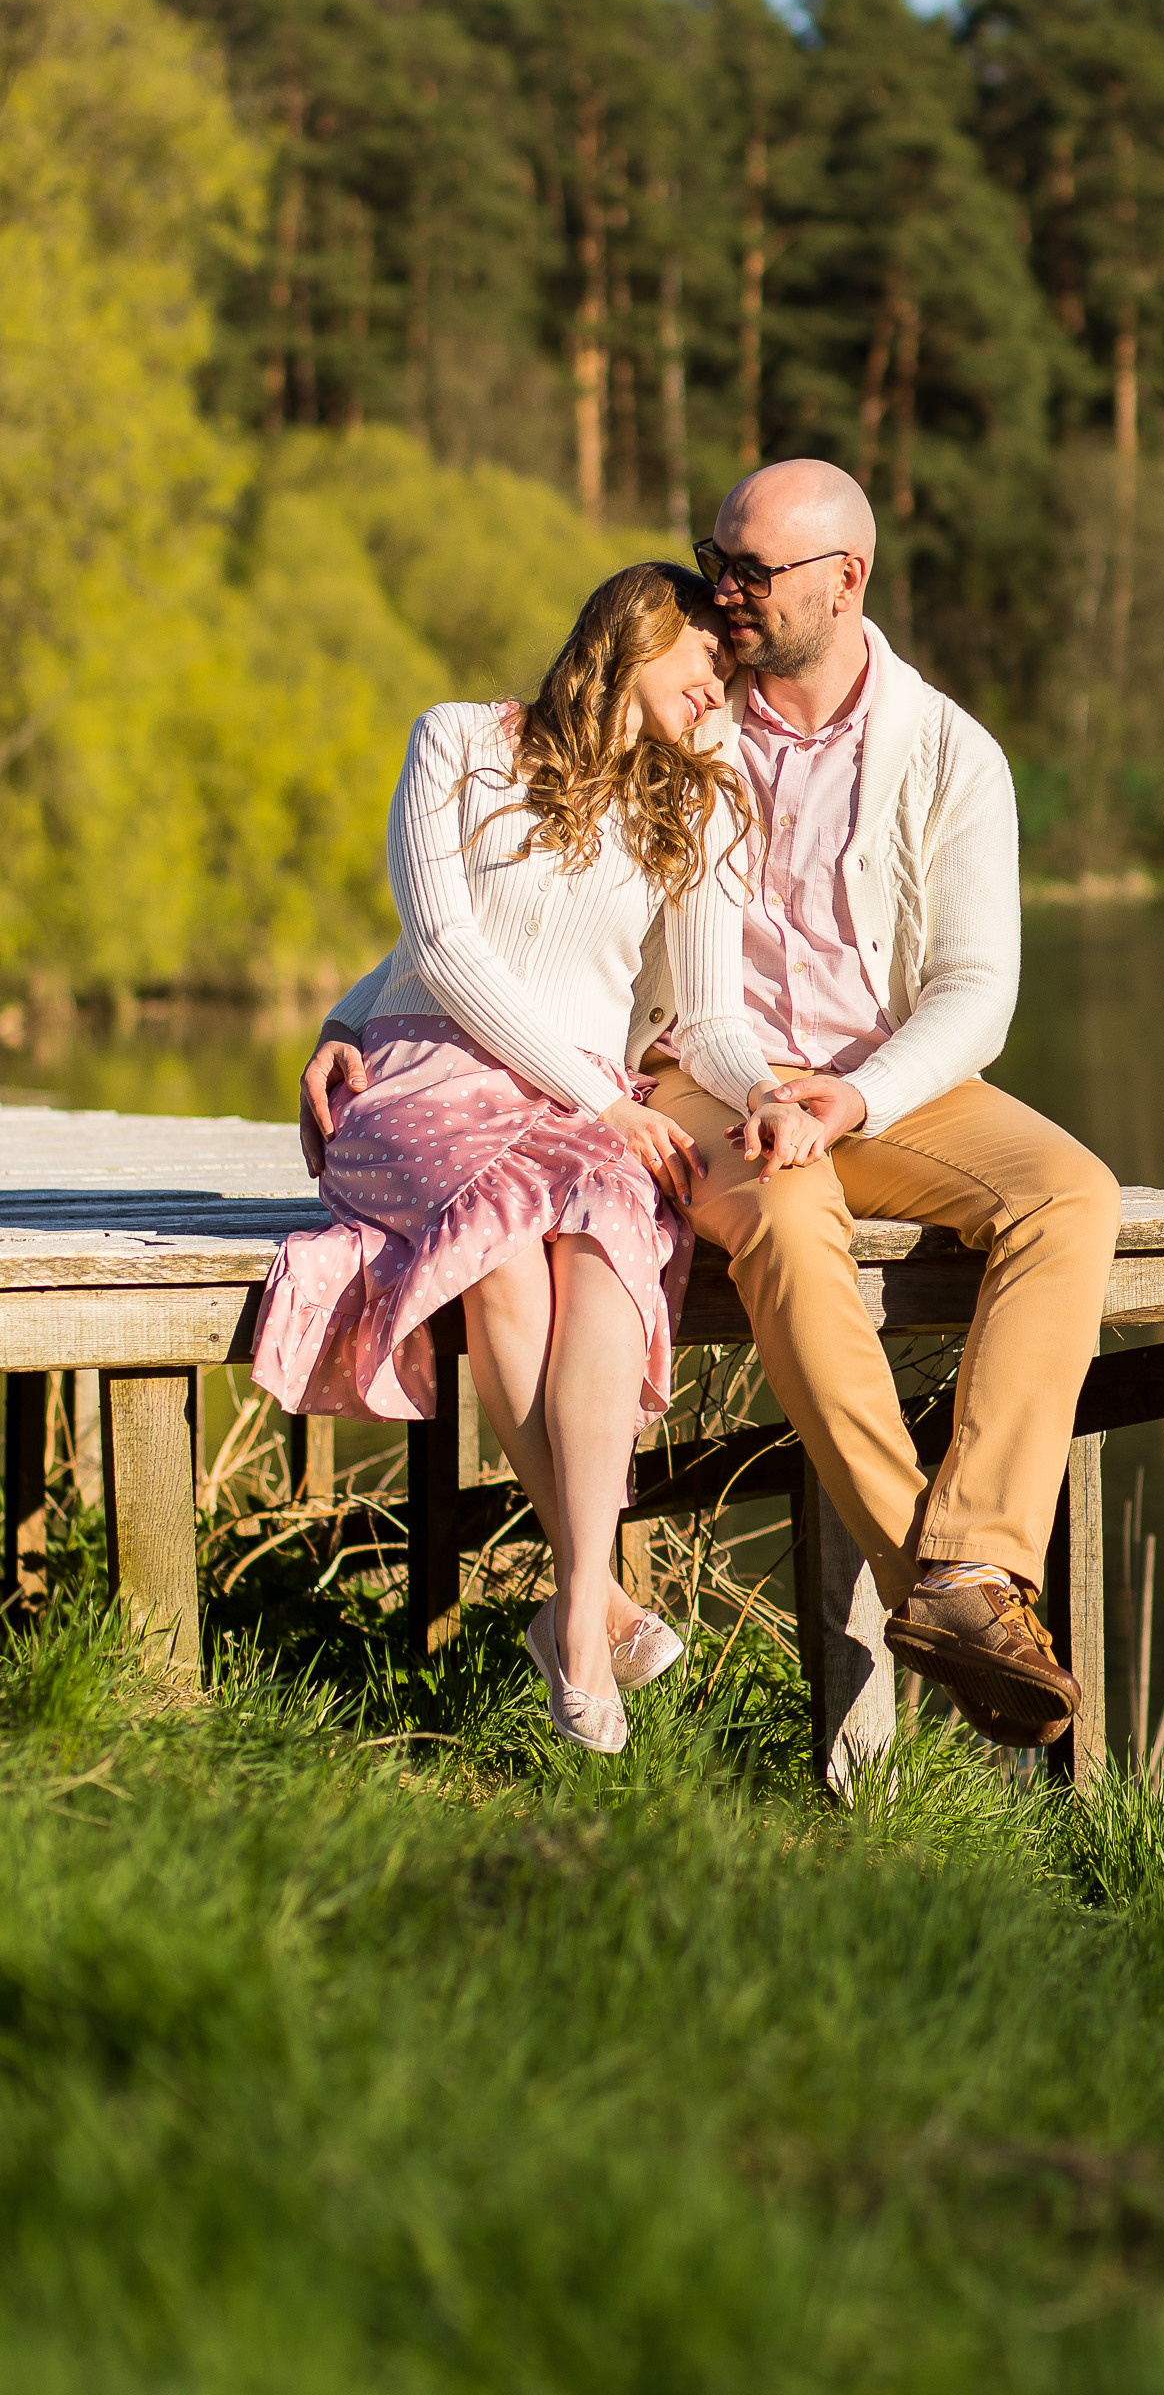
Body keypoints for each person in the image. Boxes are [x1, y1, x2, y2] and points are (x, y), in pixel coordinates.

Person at [304, 465, 1120, 1747]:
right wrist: (355, 1020)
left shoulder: (952, 755)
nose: (725, 590)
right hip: (699, 1082)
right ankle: (936, 1594)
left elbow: (975, 992)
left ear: (845, 580)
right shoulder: (684, 708)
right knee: (792, 1234)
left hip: (883, 1079)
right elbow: (505, 906)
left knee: (1072, 1194)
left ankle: (971, 1565)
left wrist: (848, 1099)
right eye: (717, 559)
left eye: (754, 572)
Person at [260, 564, 826, 1755]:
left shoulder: (701, 805)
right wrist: (352, 1027)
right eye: (706, 664)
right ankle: (594, 1602)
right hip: (428, 1074)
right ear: (635, 635)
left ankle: (570, 1615)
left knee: (608, 1231)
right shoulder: (460, 741)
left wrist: (769, 1090)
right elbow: (447, 951)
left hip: (578, 1112)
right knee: (522, 1226)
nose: (725, 690)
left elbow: (713, 1017)